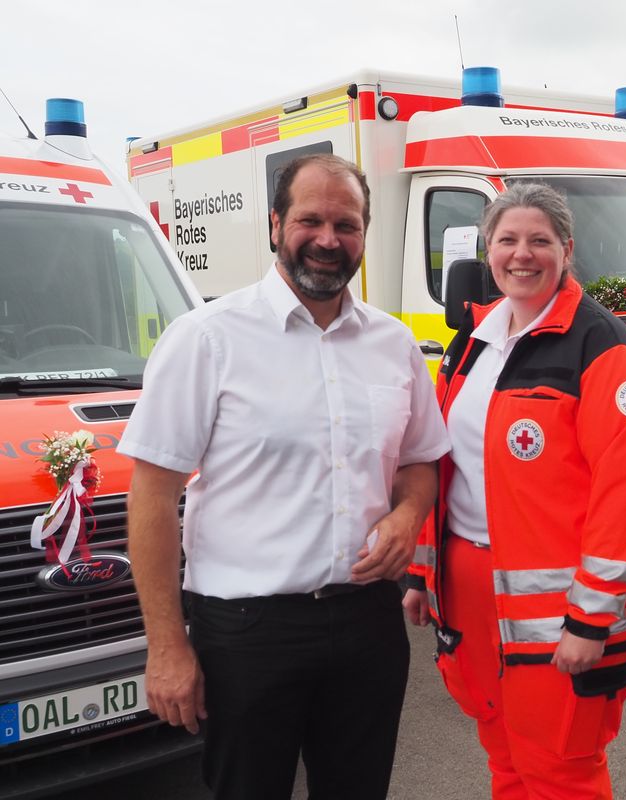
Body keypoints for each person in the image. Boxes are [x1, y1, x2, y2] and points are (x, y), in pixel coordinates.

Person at [120, 154, 449, 800]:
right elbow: (153, 496)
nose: (329, 240)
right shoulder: (206, 339)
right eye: (311, 220)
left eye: (347, 224)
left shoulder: (394, 344)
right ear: (275, 225)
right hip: (247, 635)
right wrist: (166, 645)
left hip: (367, 626)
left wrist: (409, 516)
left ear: (363, 233)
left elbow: (420, 460)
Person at [403, 182, 626, 799]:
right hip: (470, 590)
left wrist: (591, 619)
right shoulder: (474, 340)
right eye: (508, 240)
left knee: (561, 773)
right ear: (487, 250)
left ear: (566, 250)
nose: (523, 254)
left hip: (565, 609)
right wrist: (421, 571)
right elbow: (444, 463)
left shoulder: (605, 349)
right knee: (506, 759)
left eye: (539, 241)